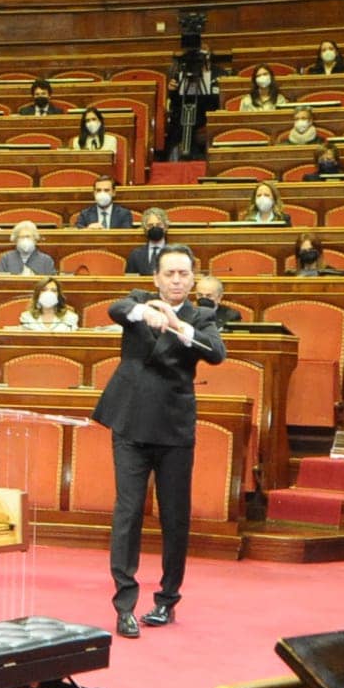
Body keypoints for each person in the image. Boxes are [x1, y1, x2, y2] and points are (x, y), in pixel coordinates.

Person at [94, 244, 226, 637]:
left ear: (193, 278)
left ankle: (167, 599)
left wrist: (178, 325)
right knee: (128, 512)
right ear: (156, 277)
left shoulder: (201, 316)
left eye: (183, 274)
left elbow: (217, 353)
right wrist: (145, 312)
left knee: (174, 516)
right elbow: (116, 309)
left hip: (173, 426)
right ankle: (125, 604)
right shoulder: (139, 300)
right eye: (169, 274)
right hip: (131, 421)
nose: (176, 281)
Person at [125, 209, 172, 274]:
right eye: (150, 226)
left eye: (159, 225)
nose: (155, 228)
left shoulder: (175, 253)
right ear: (145, 229)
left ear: (166, 227)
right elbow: (130, 278)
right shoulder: (135, 255)